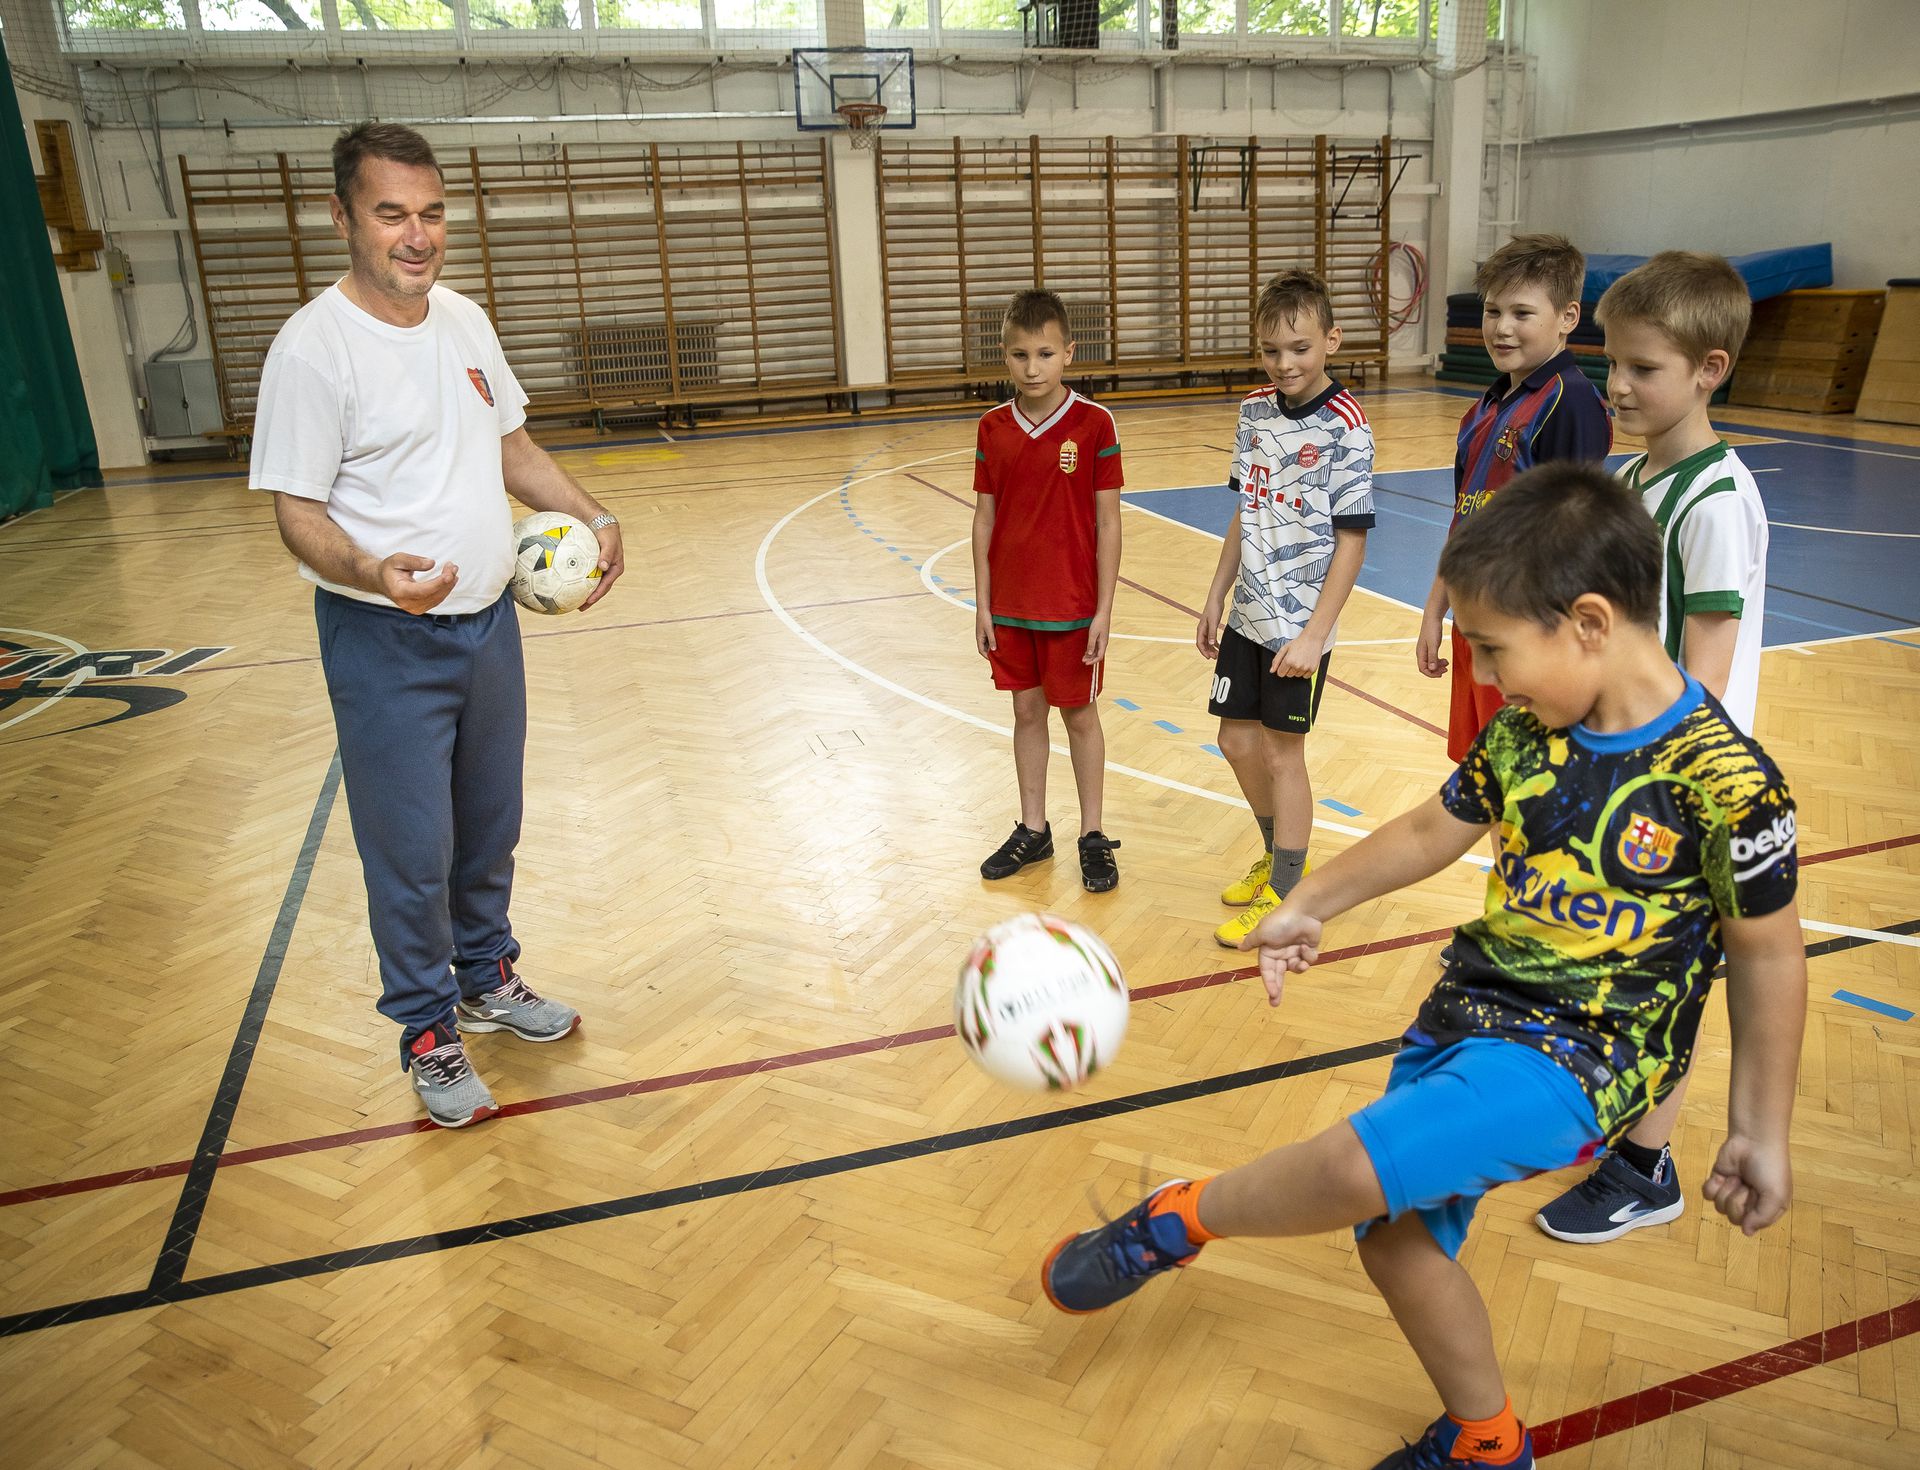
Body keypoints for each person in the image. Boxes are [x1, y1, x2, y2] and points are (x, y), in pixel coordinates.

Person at [1042, 464, 1805, 1470]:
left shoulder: (1729, 781)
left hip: (1590, 1057)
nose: (1486, 676)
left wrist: (1760, 1127)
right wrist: (1305, 902)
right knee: (1394, 1240)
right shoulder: (1529, 734)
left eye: (1494, 647)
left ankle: (1179, 1217)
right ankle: (1487, 1444)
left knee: (1361, 1167)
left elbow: (1768, 954)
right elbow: (1426, 830)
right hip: (1469, 1015)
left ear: (1587, 622)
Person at [250, 122, 624, 1128]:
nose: (416, 237)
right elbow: (295, 510)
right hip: (385, 637)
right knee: (409, 848)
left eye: (430, 213)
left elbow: (513, 446)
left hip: (487, 627)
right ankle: (425, 1027)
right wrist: (375, 570)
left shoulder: (462, 320)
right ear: (342, 218)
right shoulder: (313, 350)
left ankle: (486, 978)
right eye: (390, 214)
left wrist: (591, 512)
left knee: (487, 827)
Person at [1535, 250, 1766, 1243]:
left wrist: (1643, 776)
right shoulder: (1633, 475)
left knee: (1666, 979)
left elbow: (1703, 670)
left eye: (1644, 369)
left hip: (1679, 784)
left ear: (1710, 369)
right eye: (1612, 364)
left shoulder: (1712, 501)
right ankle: (1622, 1130)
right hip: (1622, 761)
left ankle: (1648, 1164)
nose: (1618, 387)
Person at [1198, 269, 1374, 947]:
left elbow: (1352, 543)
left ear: (1331, 340)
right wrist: (1216, 595)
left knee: (1281, 755)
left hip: (1301, 629)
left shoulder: (1347, 426)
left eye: (1299, 348)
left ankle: (1286, 891)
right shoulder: (1252, 411)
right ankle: (1277, 857)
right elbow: (1246, 511)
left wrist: (1315, 635)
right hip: (1248, 612)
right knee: (1235, 741)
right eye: (1272, 350)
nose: (1285, 363)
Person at [1418, 233, 1612, 767]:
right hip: (1475, 623)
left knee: (1526, 776)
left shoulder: (1569, 403)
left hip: (1526, 632)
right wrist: (1435, 611)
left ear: (1568, 316)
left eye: (1522, 313)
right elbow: (1465, 520)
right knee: (1486, 774)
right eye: (1492, 311)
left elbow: (1575, 540)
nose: (1502, 327)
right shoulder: (1487, 404)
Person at [972, 289, 1125, 893]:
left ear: (1069, 352)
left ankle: (1092, 834)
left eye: (1043, 354)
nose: (1031, 368)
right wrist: (982, 603)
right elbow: (983, 519)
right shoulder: (991, 428)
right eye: (1018, 356)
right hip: (1010, 606)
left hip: (1073, 606)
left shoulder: (1093, 424)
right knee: (1026, 711)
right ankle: (1033, 830)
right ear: (1004, 358)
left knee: (1080, 716)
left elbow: (1109, 522)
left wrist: (1103, 611)